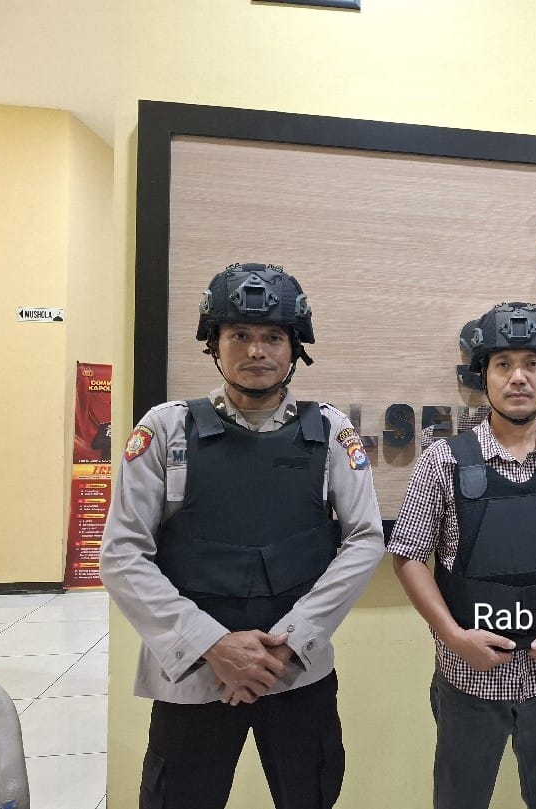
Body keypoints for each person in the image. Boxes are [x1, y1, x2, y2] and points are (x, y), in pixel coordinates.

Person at [100, 263, 385, 809]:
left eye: (273, 336)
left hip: (295, 670)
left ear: (295, 347)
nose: (256, 351)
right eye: (239, 335)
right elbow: (122, 554)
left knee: (311, 794)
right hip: (194, 676)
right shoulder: (165, 429)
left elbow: (365, 538)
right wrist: (214, 645)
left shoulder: (330, 431)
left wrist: (290, 640)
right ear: (214, 344)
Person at [388, 301, 536, 809]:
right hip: (468, 677)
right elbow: (407, 556)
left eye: (532, 363)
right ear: (484, 375)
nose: (518, 377)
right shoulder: (443, 461)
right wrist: (453, 637)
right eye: (503, 364)